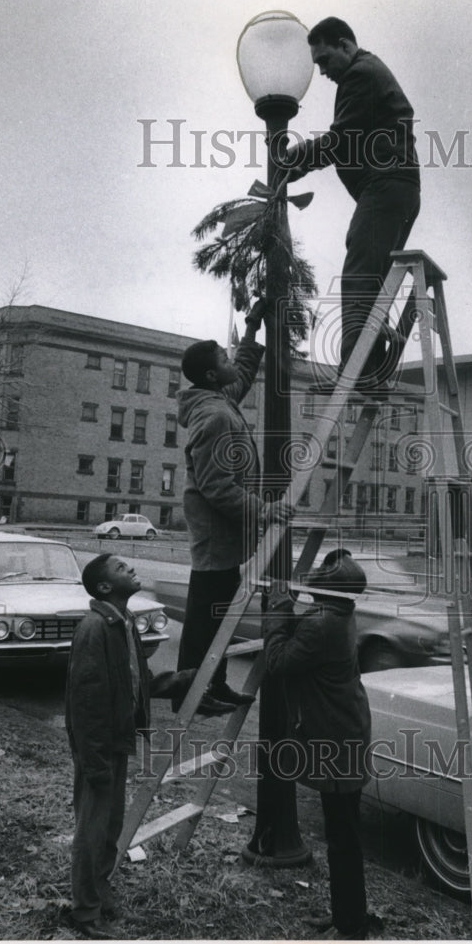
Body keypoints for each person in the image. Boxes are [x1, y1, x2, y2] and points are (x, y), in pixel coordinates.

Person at [279, 16, 421, 389]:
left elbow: (340, 141)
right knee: (369, 278)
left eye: (325, 60)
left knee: (359, 275)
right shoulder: (367, 71)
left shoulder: (361, 74)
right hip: (396, 190)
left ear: (345, 45)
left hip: (387, 187)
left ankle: (355, 373)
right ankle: (368, 368)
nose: (323, 71)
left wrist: (292, 162)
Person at [65, 553, 196, 939]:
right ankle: (85, 913)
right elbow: (85, 701)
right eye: (122, 569)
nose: (131, 570)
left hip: (117, 741)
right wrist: (93, 761)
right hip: (98, 746)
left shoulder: (123, 624)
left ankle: (100, 894)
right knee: (92, 829)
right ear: (105, 587)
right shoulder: (94, 628)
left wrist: (187, 679)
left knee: (111, 826)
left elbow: (141, 682)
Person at [175, 298, 290, 715]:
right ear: (210, 375)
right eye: (223, 358)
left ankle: (214, 683)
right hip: (214, 530)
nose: (230, 360)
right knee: (205, 616)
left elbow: (242, 373)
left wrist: (252, 329)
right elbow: (215, 486)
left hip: (224, 530)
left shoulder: (220, 398)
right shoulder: (214, 417)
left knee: (217, 612)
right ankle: (193, 689)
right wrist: (263, 510)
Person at [262, 548, 382, 941]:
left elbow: (278, 663)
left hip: (336, 739)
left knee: (343, 838)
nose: (313, 574)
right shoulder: (337, 614)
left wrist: (278, 613)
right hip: (345, 730)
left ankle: (351, 927)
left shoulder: (322, 623)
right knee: (343, 834)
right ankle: (348, 916)